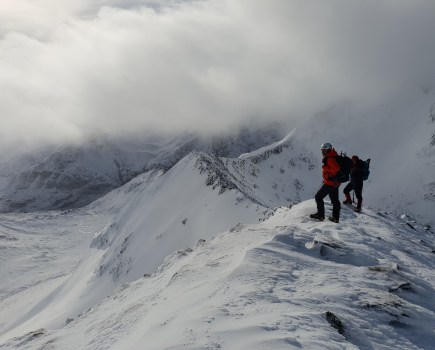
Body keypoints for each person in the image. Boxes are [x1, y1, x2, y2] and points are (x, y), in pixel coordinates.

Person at [310, 143, 341, 223]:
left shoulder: (330, 158)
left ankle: (320, 215)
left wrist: (325, 167)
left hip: (330, 182)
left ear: (328, 150)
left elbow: (336, 169)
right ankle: (335, 218)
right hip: (335, 183)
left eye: (324, 150)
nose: (322, 152)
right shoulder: (333, 156)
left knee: (318, 197)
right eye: (322, 151)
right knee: (335, 201)